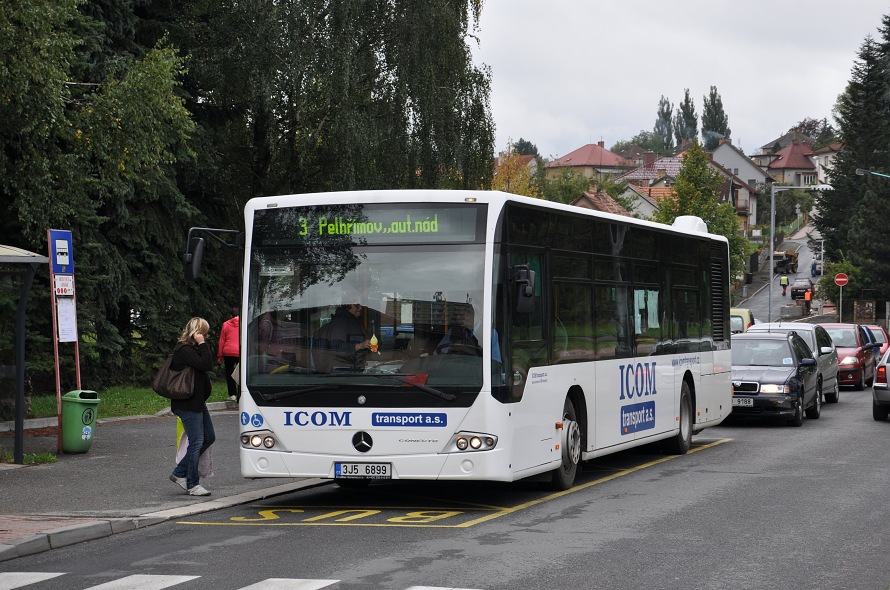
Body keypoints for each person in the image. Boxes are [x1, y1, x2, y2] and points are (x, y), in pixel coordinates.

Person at [169, 317, 216, 496]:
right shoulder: (184, 350)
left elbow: (205, 365)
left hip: (197, 403)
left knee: (209, 437)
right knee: (196, 441)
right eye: (203, 332)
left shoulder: (193, 349)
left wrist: (201, 345)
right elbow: (206, 364)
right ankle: (192, 484)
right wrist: (202, 343)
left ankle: (179, 472)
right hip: (188, 403)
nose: (206, 336)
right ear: (196, 333)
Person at [313, 302, 371, 372]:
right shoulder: (340, 323)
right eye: (356, 305)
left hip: (350, 371)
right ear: (347, 305)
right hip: (342, 373)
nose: (360, 308)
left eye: (360, 305)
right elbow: (336, 347)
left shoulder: (354, 322)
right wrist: (359, 346)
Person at [217, 306, 240, 401]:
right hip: (240, 352)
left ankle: (232, 394)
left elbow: (222, 340)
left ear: (231, 315)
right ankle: (241, 394)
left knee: (229, 373)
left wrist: (220, 356)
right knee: (241, 373)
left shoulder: (226, 324)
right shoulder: (244, 324)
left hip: (228, 352)